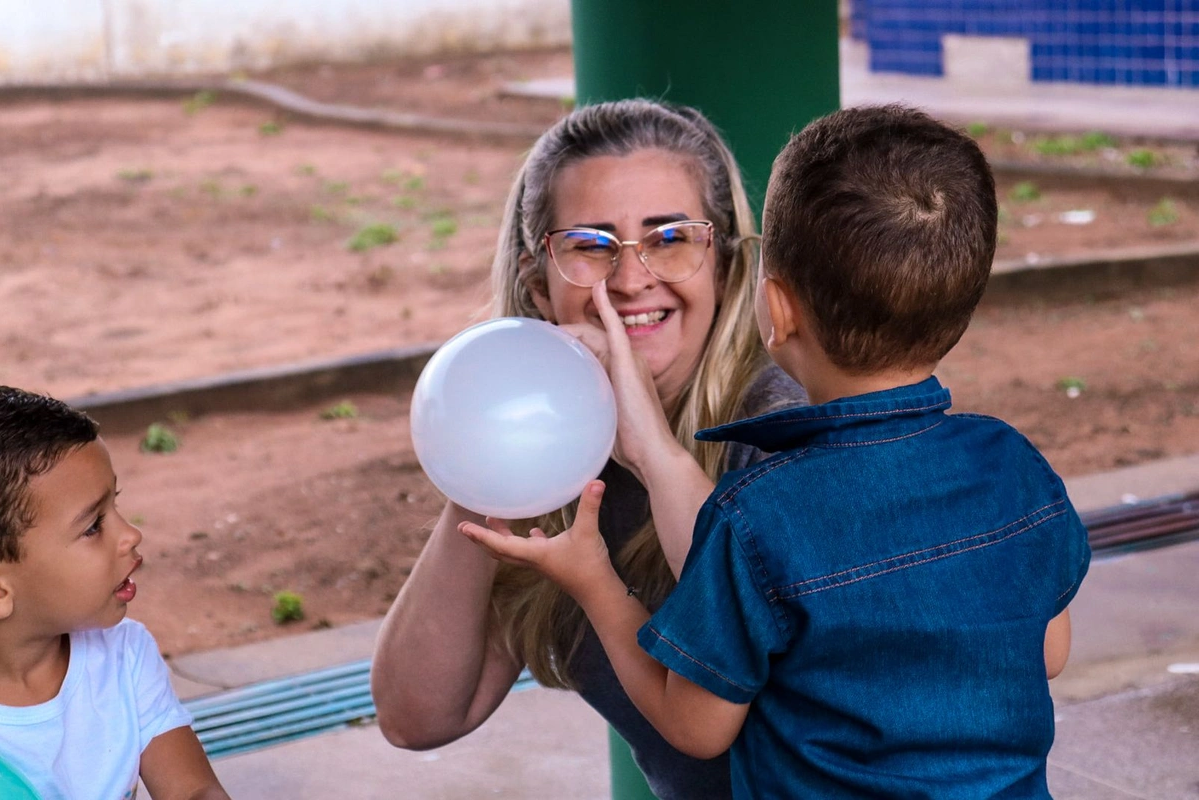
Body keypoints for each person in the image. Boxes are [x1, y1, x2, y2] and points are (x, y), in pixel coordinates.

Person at [459, 104, 1092, 798]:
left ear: (774, 308)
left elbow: (696, 728)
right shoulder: (1014, 467)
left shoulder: (757, 517)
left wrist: (597, 586)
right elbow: (1048, 652)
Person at [370, 99, 807, 798]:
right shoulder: (550, 465)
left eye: (669, 238)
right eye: (591, 247)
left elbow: (798, 665)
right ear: (539, 286)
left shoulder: (785, 427)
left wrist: (644, 447)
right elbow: (416, 717)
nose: (632, 280)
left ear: (722, 267)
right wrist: (486, 464)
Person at [0, 386, 230, 800]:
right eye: (92, 527)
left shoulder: (124, 656)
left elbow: (193, 790)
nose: (131, 535)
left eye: (115, 508)